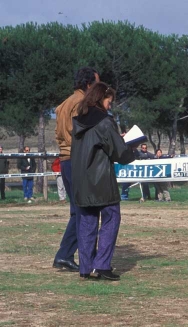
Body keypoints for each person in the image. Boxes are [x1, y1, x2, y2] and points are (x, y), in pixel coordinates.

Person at [71, 82, 135, 280]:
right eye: (109, 101)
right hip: (101, 181)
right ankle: (102, 266)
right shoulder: (105, 122)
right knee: (111, 219)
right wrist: (130, 147)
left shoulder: (78, 121)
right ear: (101, 99)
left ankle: (85, 268)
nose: (110, 106)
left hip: (81, 181)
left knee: (87, 224)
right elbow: (119, 152)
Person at [52, 67, 100, 272]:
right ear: (88, 84)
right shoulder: (81, 104)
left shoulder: (63, 104)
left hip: (65, 159)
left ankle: (64, 255)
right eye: (97, 83)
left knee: (77, 211)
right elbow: (79, 133)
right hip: (77, 159)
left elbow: (60, 134)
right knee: (85, 210)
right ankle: (87, 255)